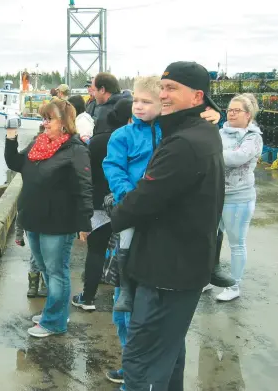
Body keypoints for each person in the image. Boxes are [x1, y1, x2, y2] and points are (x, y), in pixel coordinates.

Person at [109, 61, 225, 390]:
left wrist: (112, 218)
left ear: (197, 96)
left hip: (167, 271)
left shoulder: (184, 142)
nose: (163, 94)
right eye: (162, 87)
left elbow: (145, 196)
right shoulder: (199, 131)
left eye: (172, 88)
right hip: (182, 266)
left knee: (141, 361)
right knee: (169, 353)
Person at [5, 99, 93, 338]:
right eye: (43, 118)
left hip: (58, 222)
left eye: (49, 119)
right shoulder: (38, 143)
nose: (44, 124)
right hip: (34, 218)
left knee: (56, 272)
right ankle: (54, 312)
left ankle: (54, 322)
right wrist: (11, 137)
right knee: (45, 268)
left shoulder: (76, 149)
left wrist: (85, 223)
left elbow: (84, 187)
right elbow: (15, 163)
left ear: (64, 123)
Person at [71, 98, 134, 312]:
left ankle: (87, 297)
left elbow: (85, 176)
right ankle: (125, 295)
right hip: (128, 202)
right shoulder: (137, 138)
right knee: (126, 249)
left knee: (96, 250)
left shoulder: (98, 141)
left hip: (99, 203)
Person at [210, 93, 263, 301]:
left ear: (248, 115)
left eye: (236, 110)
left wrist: (212, 152)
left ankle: (234, 285)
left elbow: (236, 158)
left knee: (236, 243)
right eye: (229, 110)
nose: (231, 113)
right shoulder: (220, 132)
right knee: (211, 238)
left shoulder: (253, 137)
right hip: (216, 195)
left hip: (238, 198)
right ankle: (210, 277)